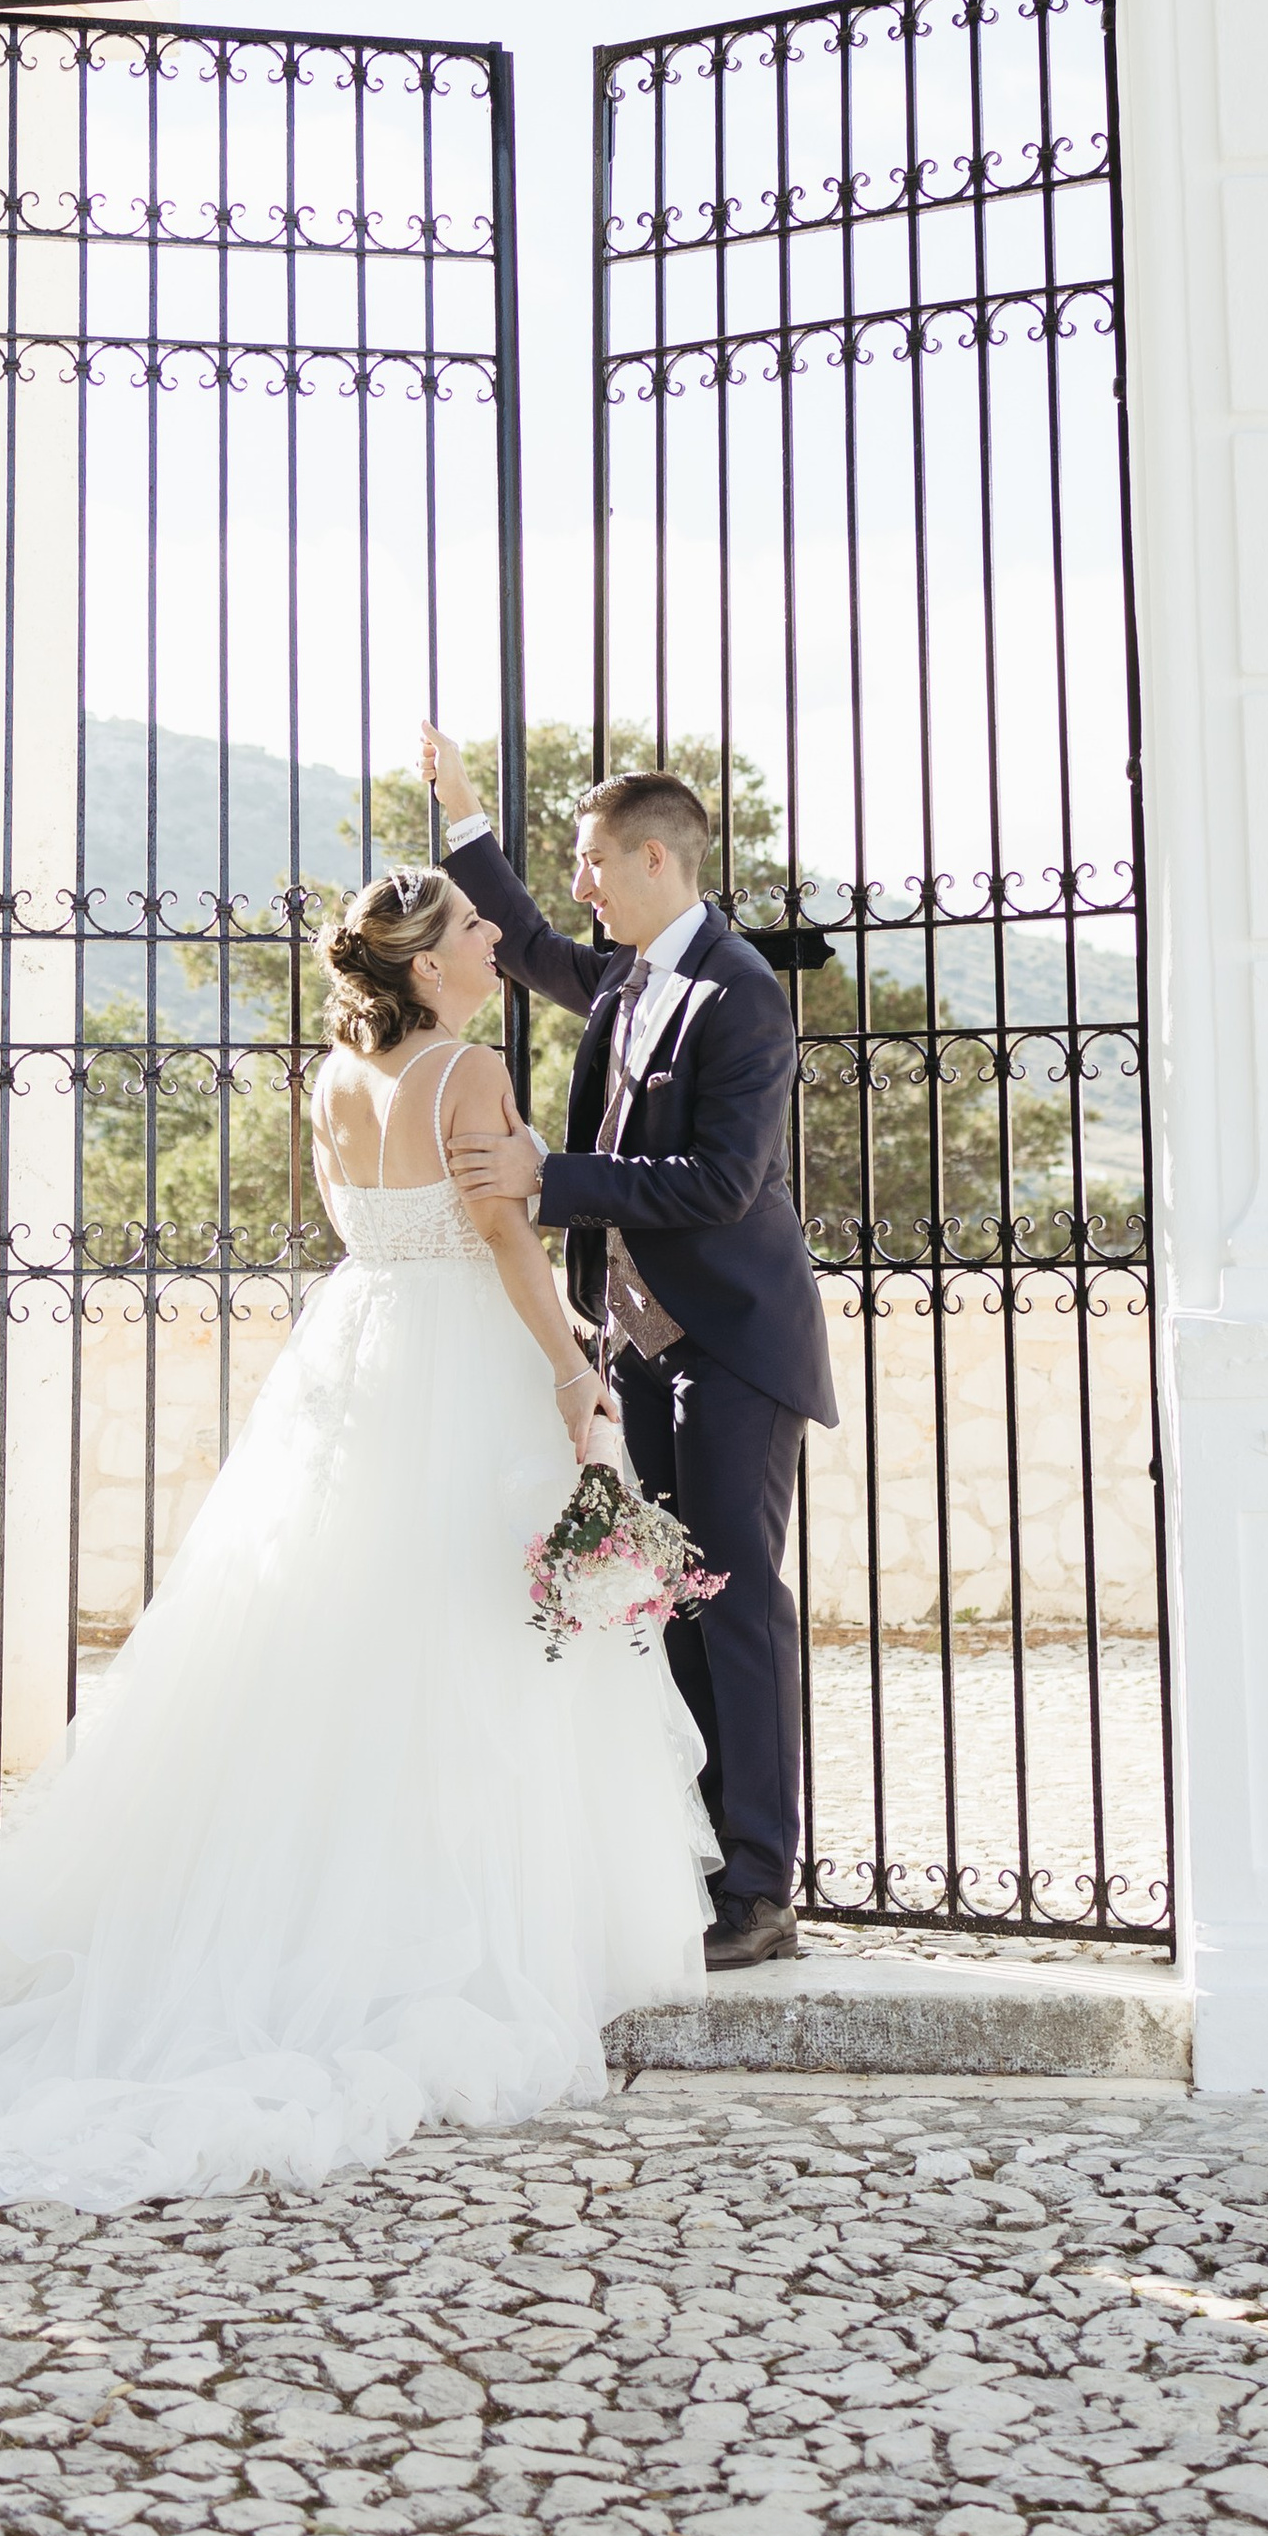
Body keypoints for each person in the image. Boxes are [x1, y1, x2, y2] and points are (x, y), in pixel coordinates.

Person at [0, 868, 711, 2211]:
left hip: (360, 1351)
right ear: (424, 965)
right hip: (460, 1360)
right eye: (472, 928)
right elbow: (504, 1239)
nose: (494, 939)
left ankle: (322, 1903)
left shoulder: (335, 1079)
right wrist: (572, 1372)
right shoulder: (467, 1075)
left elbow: (376, 1229)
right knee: (468, 1639)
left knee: (338, 1634)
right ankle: (456, 1927)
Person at [426, 731, 839, 1970]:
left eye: (594, 863)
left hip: (731, 1344)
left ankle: (760, 1887)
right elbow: (528, 943)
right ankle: (697, 1860)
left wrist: (546, 1176)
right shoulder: (620, 977)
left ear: (655, 859)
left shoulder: (739, 993)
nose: (582, 885)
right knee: (668, 1604)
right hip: (639, 1347)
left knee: (735, 1605)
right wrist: (464, 822)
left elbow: (720, 1183)